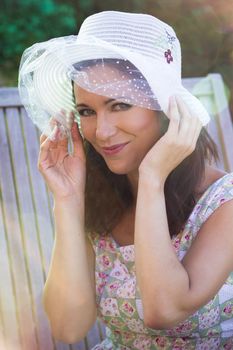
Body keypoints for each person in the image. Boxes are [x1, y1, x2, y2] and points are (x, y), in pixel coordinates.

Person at [18, 10, 233, 349]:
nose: (101, 132)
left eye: (119, 105)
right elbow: (67, 326)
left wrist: (151, 179)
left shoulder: (224, 203)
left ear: (165, 110)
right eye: (87, 111)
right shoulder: (101, 200)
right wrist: (68, 200)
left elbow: (163, 310)